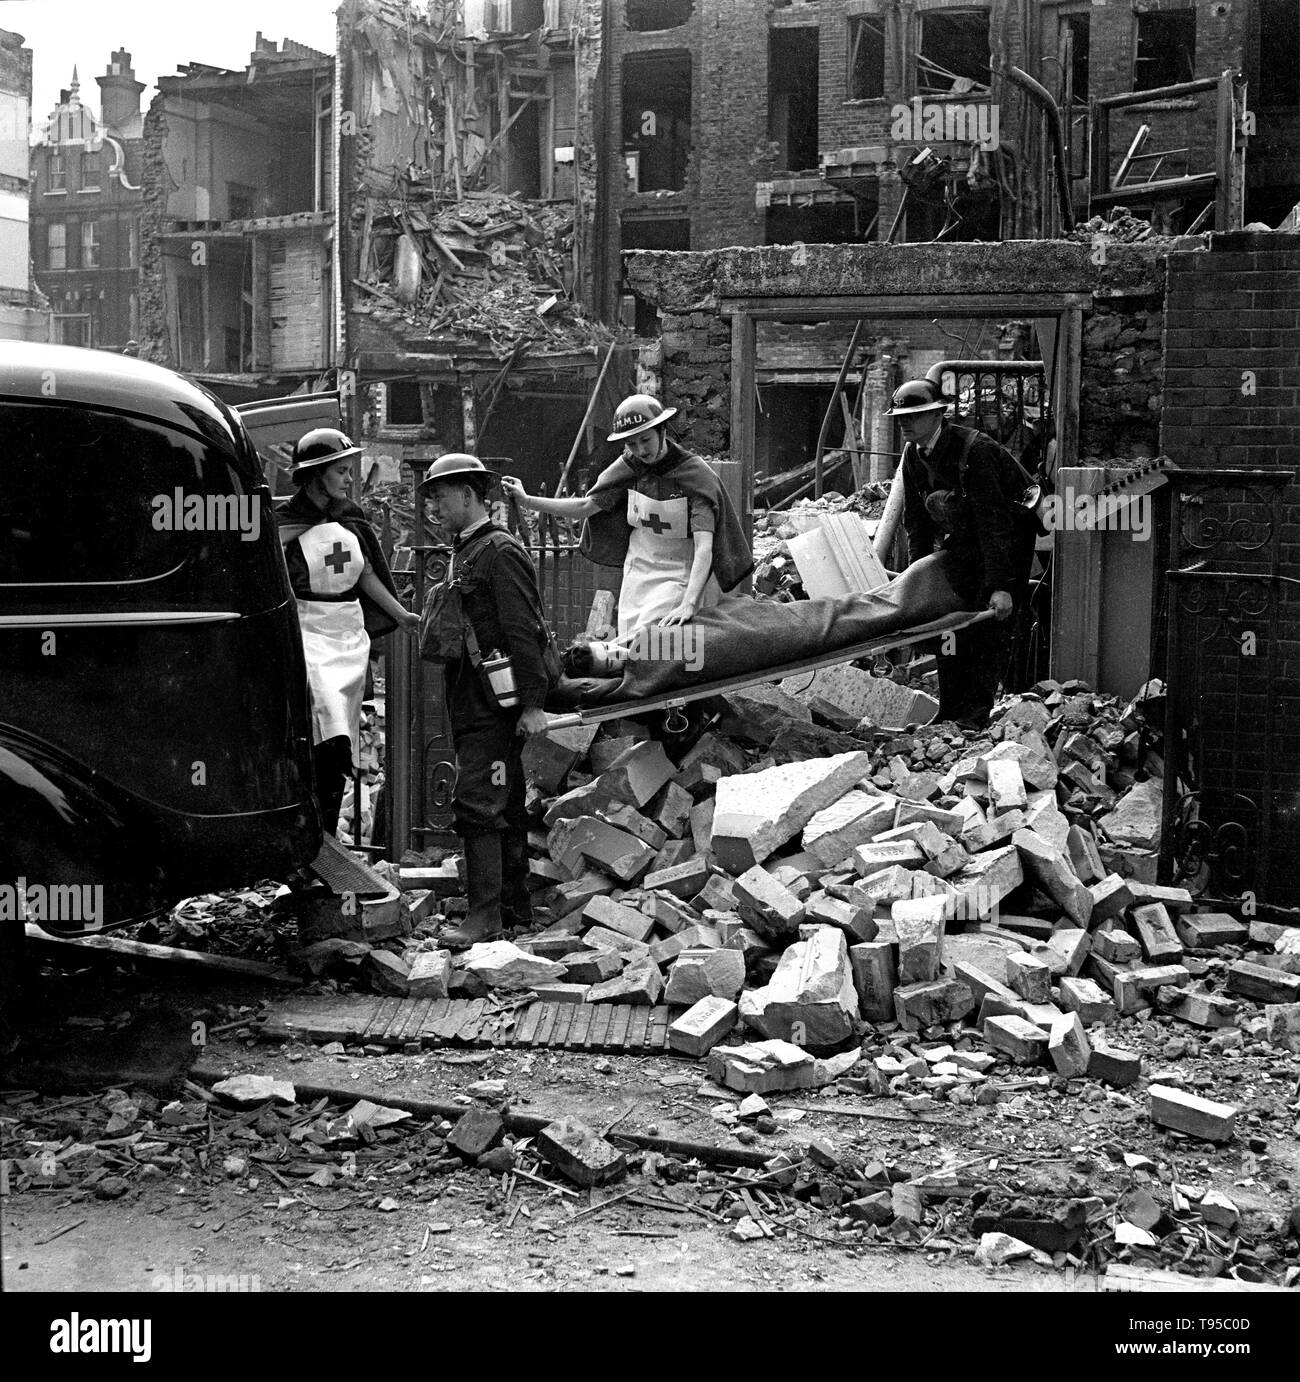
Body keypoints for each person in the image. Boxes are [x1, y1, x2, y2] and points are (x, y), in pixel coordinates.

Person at [421, 453, 553, 947]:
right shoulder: (466, 549)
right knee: (505, 799)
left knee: (477, 800)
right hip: (473, 700)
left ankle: (484, 917)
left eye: (441, 495)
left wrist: (533, 703)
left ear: (469, 495)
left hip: (493, 706)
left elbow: (526, 628)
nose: (435, 504)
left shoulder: (498, 551)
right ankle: (514, 906)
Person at [501, 393, 752, 639]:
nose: (640, 450)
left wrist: (688, 603)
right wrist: (527, 500)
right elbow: (586, 507)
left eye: (646, 440)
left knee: (655, 640)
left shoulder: (695, 476)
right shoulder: (629, 468)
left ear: (662, 431)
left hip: (678, 572)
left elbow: (703, 547)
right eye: (631, 444)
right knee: (633, 641)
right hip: (638, 569)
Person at [276, 428, 419, 835]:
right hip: (309, 630)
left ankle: (324, 825)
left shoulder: (349, 516)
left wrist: (400, 614)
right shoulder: (286, 523)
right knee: (324, 719)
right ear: (317, 473)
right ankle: (310, 825)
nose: (349, 479)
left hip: (349, 633)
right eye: (341, 471)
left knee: (342, 730)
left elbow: (368, 573)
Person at [887, 378, 1038, 730]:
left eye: (914, 415)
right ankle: (950, 709)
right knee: (948, 627)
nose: (904, 422)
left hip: (1006, 544)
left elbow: (994, 522)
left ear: (938, 414)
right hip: (965, 542)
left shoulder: (975, 451)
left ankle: (974, 717)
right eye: (900, 417)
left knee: (987, 628)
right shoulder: (914, 455)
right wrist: (919, 579)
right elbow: (916, 522)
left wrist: (1000, 586)